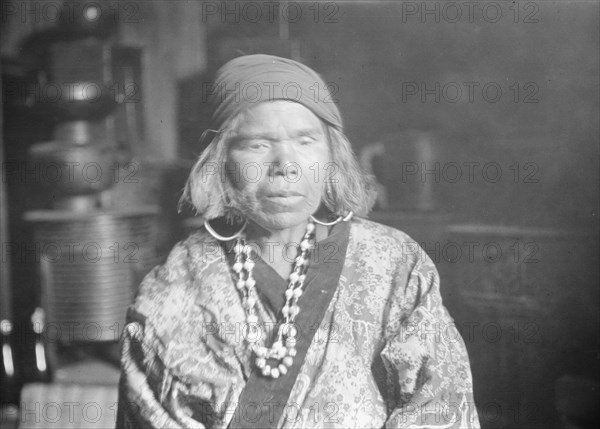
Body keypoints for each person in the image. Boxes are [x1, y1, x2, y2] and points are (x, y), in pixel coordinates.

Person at [116, 54, 480, 428]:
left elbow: (439, 403)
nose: (285, 164)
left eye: (305, 141)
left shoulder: (393, 263)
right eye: (257, 145)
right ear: (221, 160)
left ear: (332, 155)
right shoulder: (174, 290)